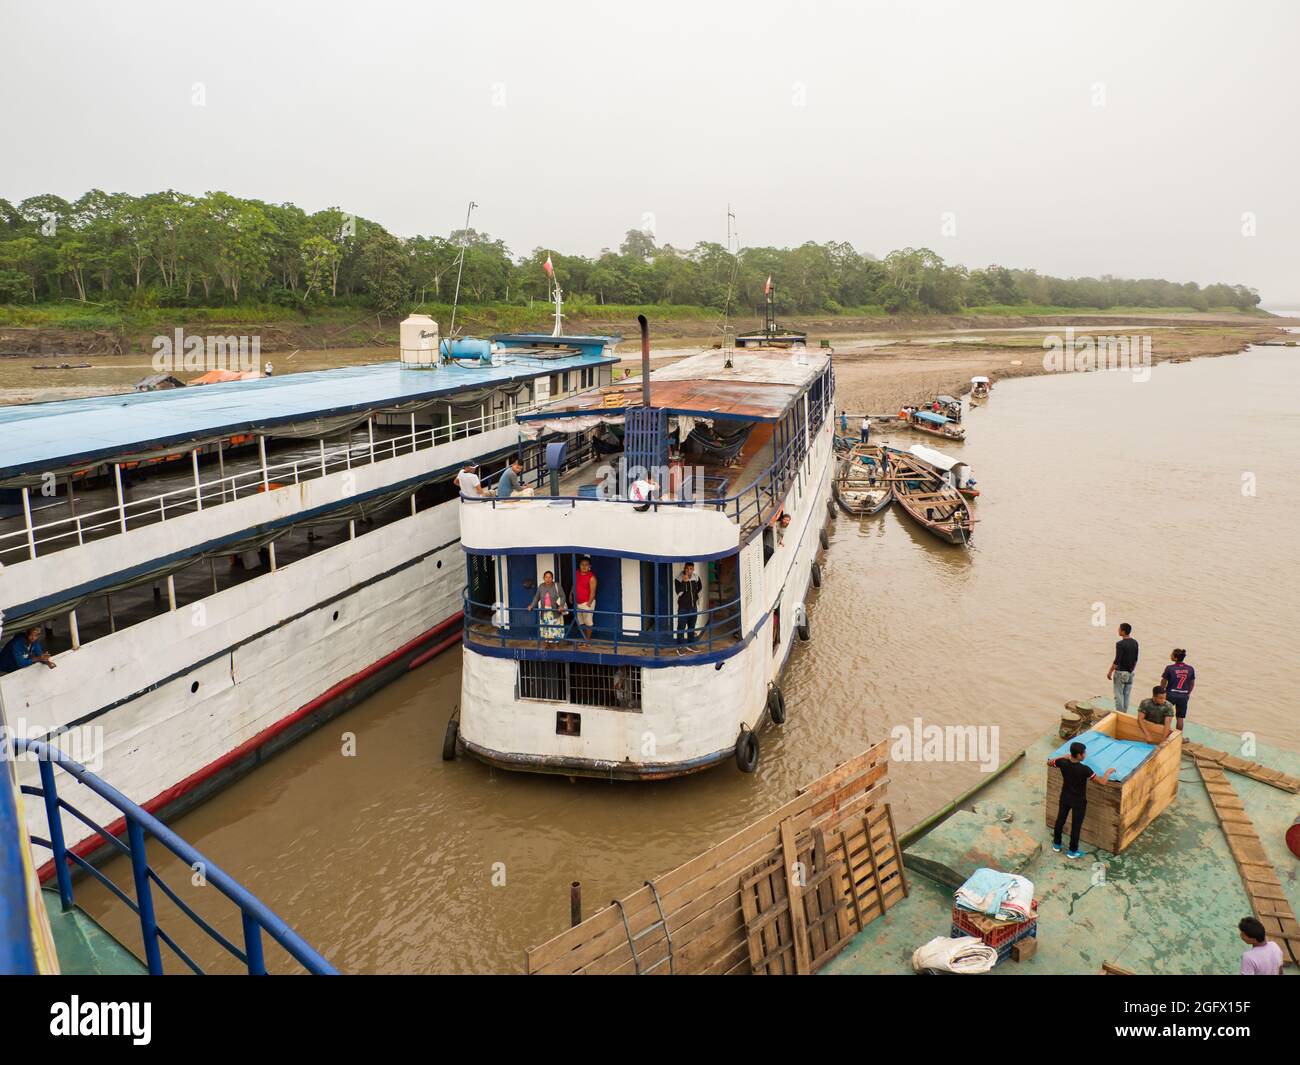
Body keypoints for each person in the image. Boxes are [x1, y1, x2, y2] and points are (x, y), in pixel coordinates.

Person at [1047, 741, 1115, 858]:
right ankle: (1072, 851)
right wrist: (1108, 773)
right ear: (1078, 755)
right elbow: (1102, 782)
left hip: (1065, 797)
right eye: (1083, 754)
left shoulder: (1062, 763)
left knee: (1060, 820)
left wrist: (1063, 756)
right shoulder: (1085, 769)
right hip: (1079, 802)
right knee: (1076, 826)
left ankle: (1057, 844)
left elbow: (1049, 763)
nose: (1085, 755)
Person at [1160, 648, 1195, 732]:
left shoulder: (1169, 668)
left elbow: (1163, 681)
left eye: (1172, 655)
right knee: (1180, 717)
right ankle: (1177, 736)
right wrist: (1187, 693)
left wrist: (1162, 692)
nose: (1170, 656)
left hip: (1170, 694)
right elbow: (1192, 683)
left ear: (1175, 658)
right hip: (1183, 696)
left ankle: (1164, 732)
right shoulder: (1190, 669)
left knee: (1167, 715)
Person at [1107, 622, 1138, 713]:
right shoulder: (1135, 642)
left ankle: (1120, 714)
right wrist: (1131, 670)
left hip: (1120, 673)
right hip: (1130, 673)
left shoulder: (1120, 644)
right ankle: (1124, 713)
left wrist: (1110, 672)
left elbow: (1117, 660)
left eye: (1119, 629)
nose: (1118, 630)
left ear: (1123, 632)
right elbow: (1136, 659)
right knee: (1126, 695)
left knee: (1118, 695)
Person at [528, 571, 567, 642]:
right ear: (543, 578)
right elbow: (537, 597)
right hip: (545, 612)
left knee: (555, 629)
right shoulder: (541, 586)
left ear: (552, 578)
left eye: (550, 577)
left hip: (555, 612)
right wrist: (531, 605)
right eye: (546, 577)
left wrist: (561, 605)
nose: (548, 579)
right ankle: (547, 643)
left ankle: (556, 644)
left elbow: (563, 596)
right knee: (546, 629)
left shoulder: (557, 585)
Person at [675, 562, 702, 644]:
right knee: (681, 628)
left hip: (693, 608)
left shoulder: (696, 577)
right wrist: (684, 582)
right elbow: (679, 593)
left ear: (693, 569)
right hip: (683, 609)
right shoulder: (678, 578)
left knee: (691, 628)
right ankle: (680, 646)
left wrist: (695, 599)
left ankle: (691, 645)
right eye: (687, 569)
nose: (689, 571)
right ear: (684, 568)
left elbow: (699, 588)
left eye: (691, 569)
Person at [573, 557, 597, 647]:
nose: (584, 566)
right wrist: (571, 594)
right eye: (582, 564)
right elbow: (574, 584)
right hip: (577, 603)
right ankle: (584, 639)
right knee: (581, 622)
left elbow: (593, 592)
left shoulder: (592, 577)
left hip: (587, 603)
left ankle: (588, 641)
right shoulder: (577, 573)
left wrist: (588, 604)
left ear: (589, 566)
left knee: (588, 623)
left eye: (586, 565)